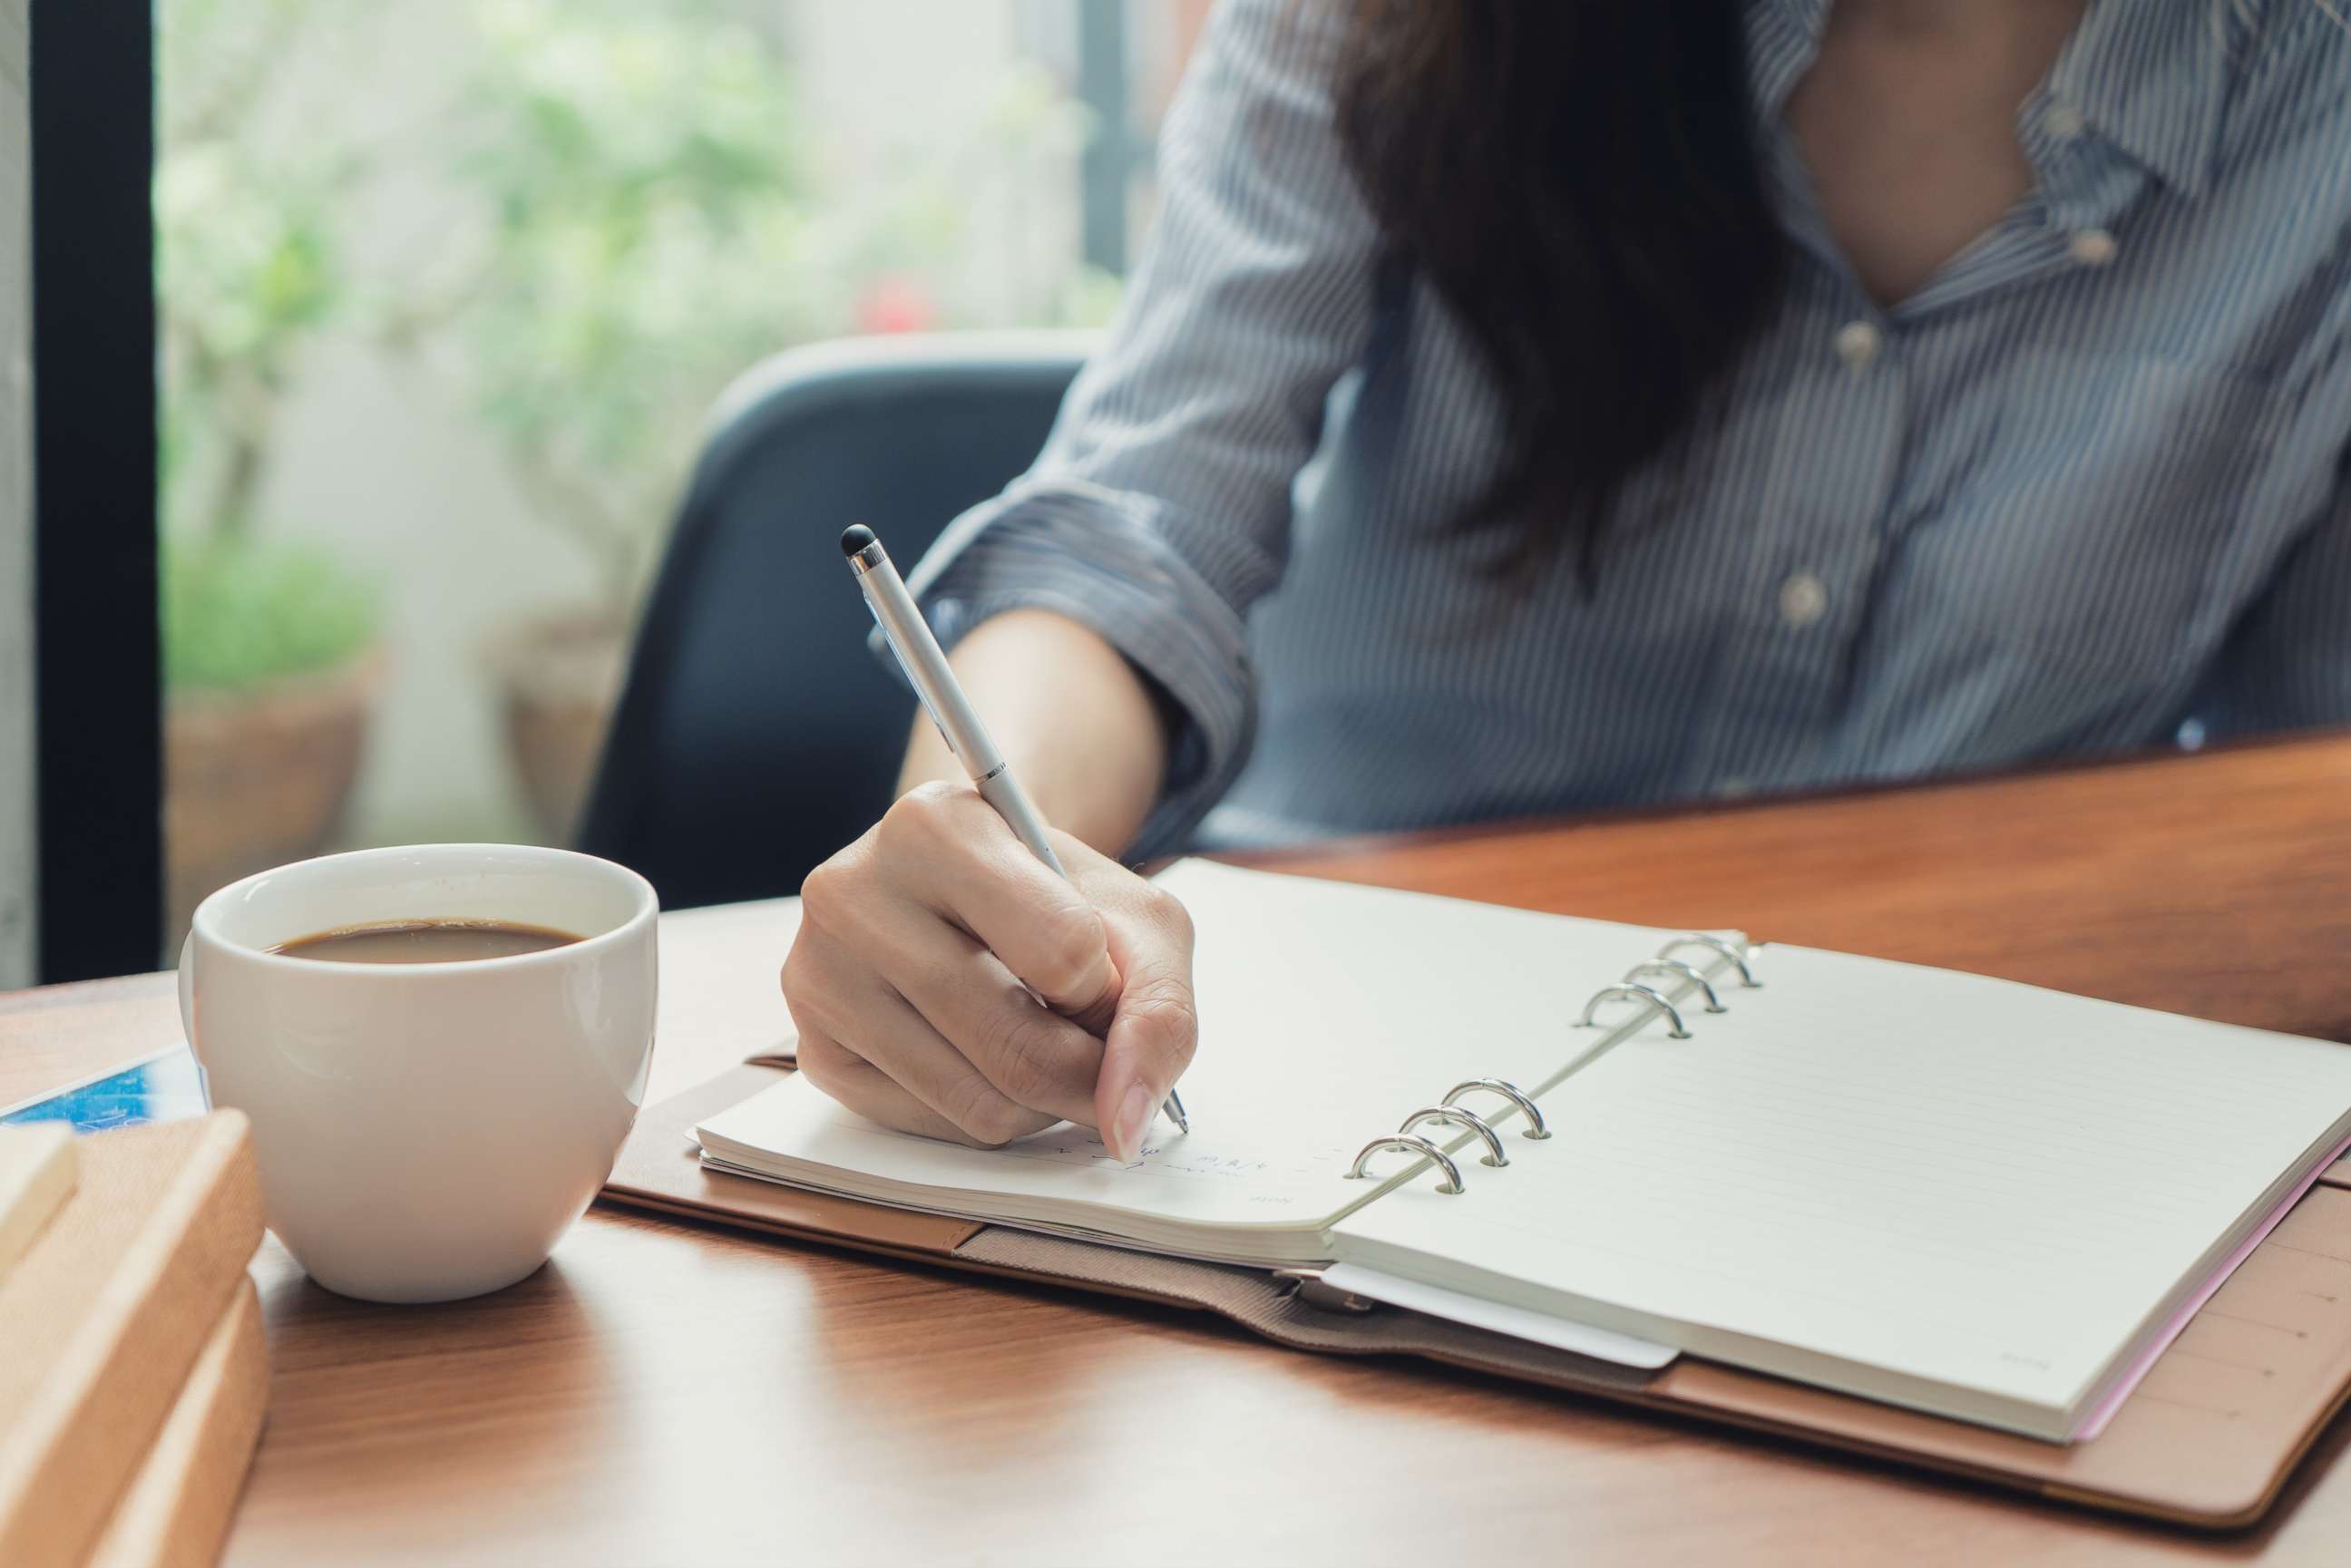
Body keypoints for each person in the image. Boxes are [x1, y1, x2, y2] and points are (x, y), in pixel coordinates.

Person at [782, 0, 2351, 1164]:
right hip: (1334, 1078)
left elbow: (2296, 802)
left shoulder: (2317, 117)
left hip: (1943, 1118)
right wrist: (996, 859)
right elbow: (1138, 527)